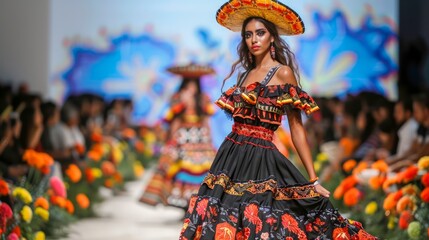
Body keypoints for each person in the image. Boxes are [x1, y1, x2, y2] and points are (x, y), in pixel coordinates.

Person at [179, 1, 377, 239]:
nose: (254, 40)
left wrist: (313, 180)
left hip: (262, 160)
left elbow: (296, 127)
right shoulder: (243, 76)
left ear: (272, 38)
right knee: (224, 222)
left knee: (261, 223)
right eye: (249, 35)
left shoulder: (283, 73)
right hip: (229, 159)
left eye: (260, 33)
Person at [140, 64, 217, 210]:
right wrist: (172, 139)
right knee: (179, 168)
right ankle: (184, 203)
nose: (192, 87)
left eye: (194, 84)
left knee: (203, 170)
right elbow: (174, 119)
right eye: (189, 84)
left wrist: (209, 140)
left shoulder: (203, 98)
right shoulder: (178, 98)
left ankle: (196, 203)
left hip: (200, 137)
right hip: (183, 137)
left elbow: (206, 120)